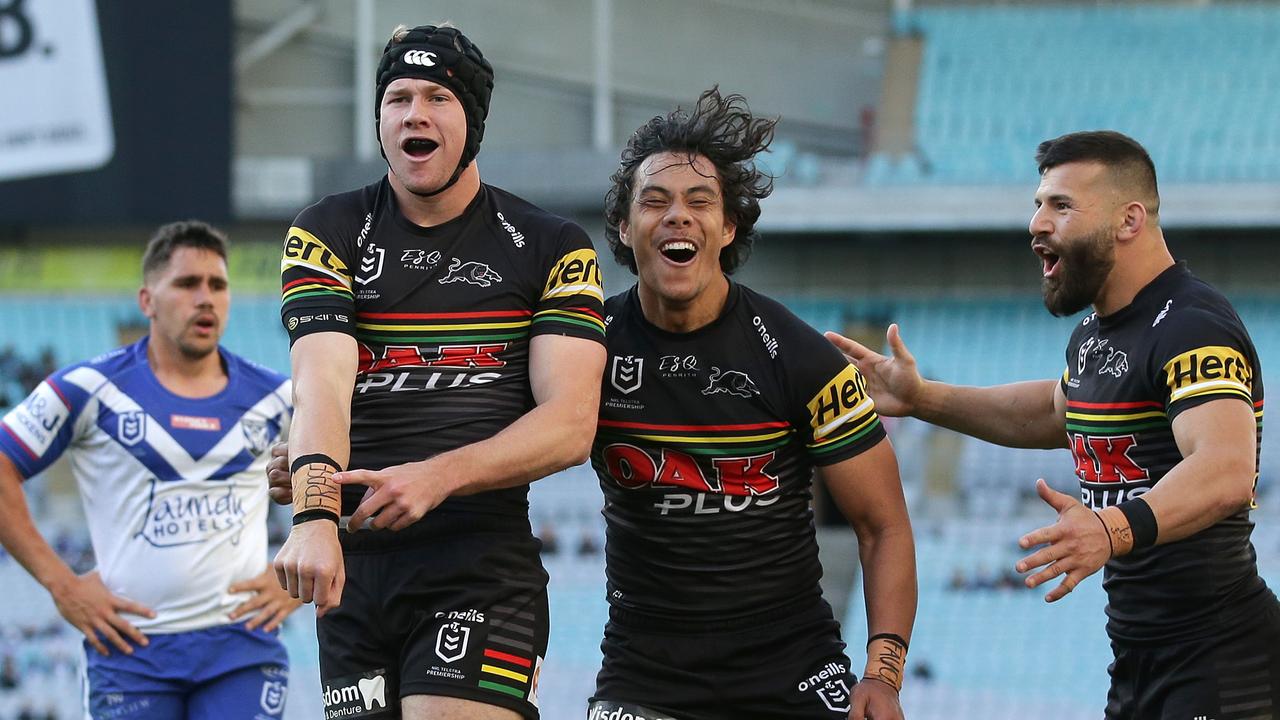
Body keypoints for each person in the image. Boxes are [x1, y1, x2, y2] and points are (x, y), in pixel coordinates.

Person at [828, 130, 1279, 718]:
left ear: (1129, 219)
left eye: (1061, 205)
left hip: (1224, 663)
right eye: (1038, 204)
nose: (1037, 223)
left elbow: (1225, 469)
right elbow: (1051, 412)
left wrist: (1111, 528)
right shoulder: (1095, 335)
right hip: (1142, 661)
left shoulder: (1193, 325)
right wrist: (923, 397)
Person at [272, 23, 606, 720]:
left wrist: (436, 475)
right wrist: (313, 514)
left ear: (473, 120)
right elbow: (323, 382)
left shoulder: (550, 246)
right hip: (357, 570)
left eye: (437, 98)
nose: (413, 114)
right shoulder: (326, 230)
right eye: (397, 98)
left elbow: (572, 425)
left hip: (480, 563)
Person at [588, 88, 916, 719]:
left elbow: (885, 527)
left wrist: (884, 672)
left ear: (729, 226)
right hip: (645, 670)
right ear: (626, 230)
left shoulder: (800, 356)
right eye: (654, 202)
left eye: (699, 202)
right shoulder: (585, 352)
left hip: (791, 666)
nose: (676, 216)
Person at [0, 221, 298, 719]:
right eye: (187, 283)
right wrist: (62, 584)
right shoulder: (87, 388)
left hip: (242, 649)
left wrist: (298, 573)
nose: (206, 298)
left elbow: (359, 475)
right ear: (147, 300)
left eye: (218, 285)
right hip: (128, 652)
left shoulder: (279, 398)